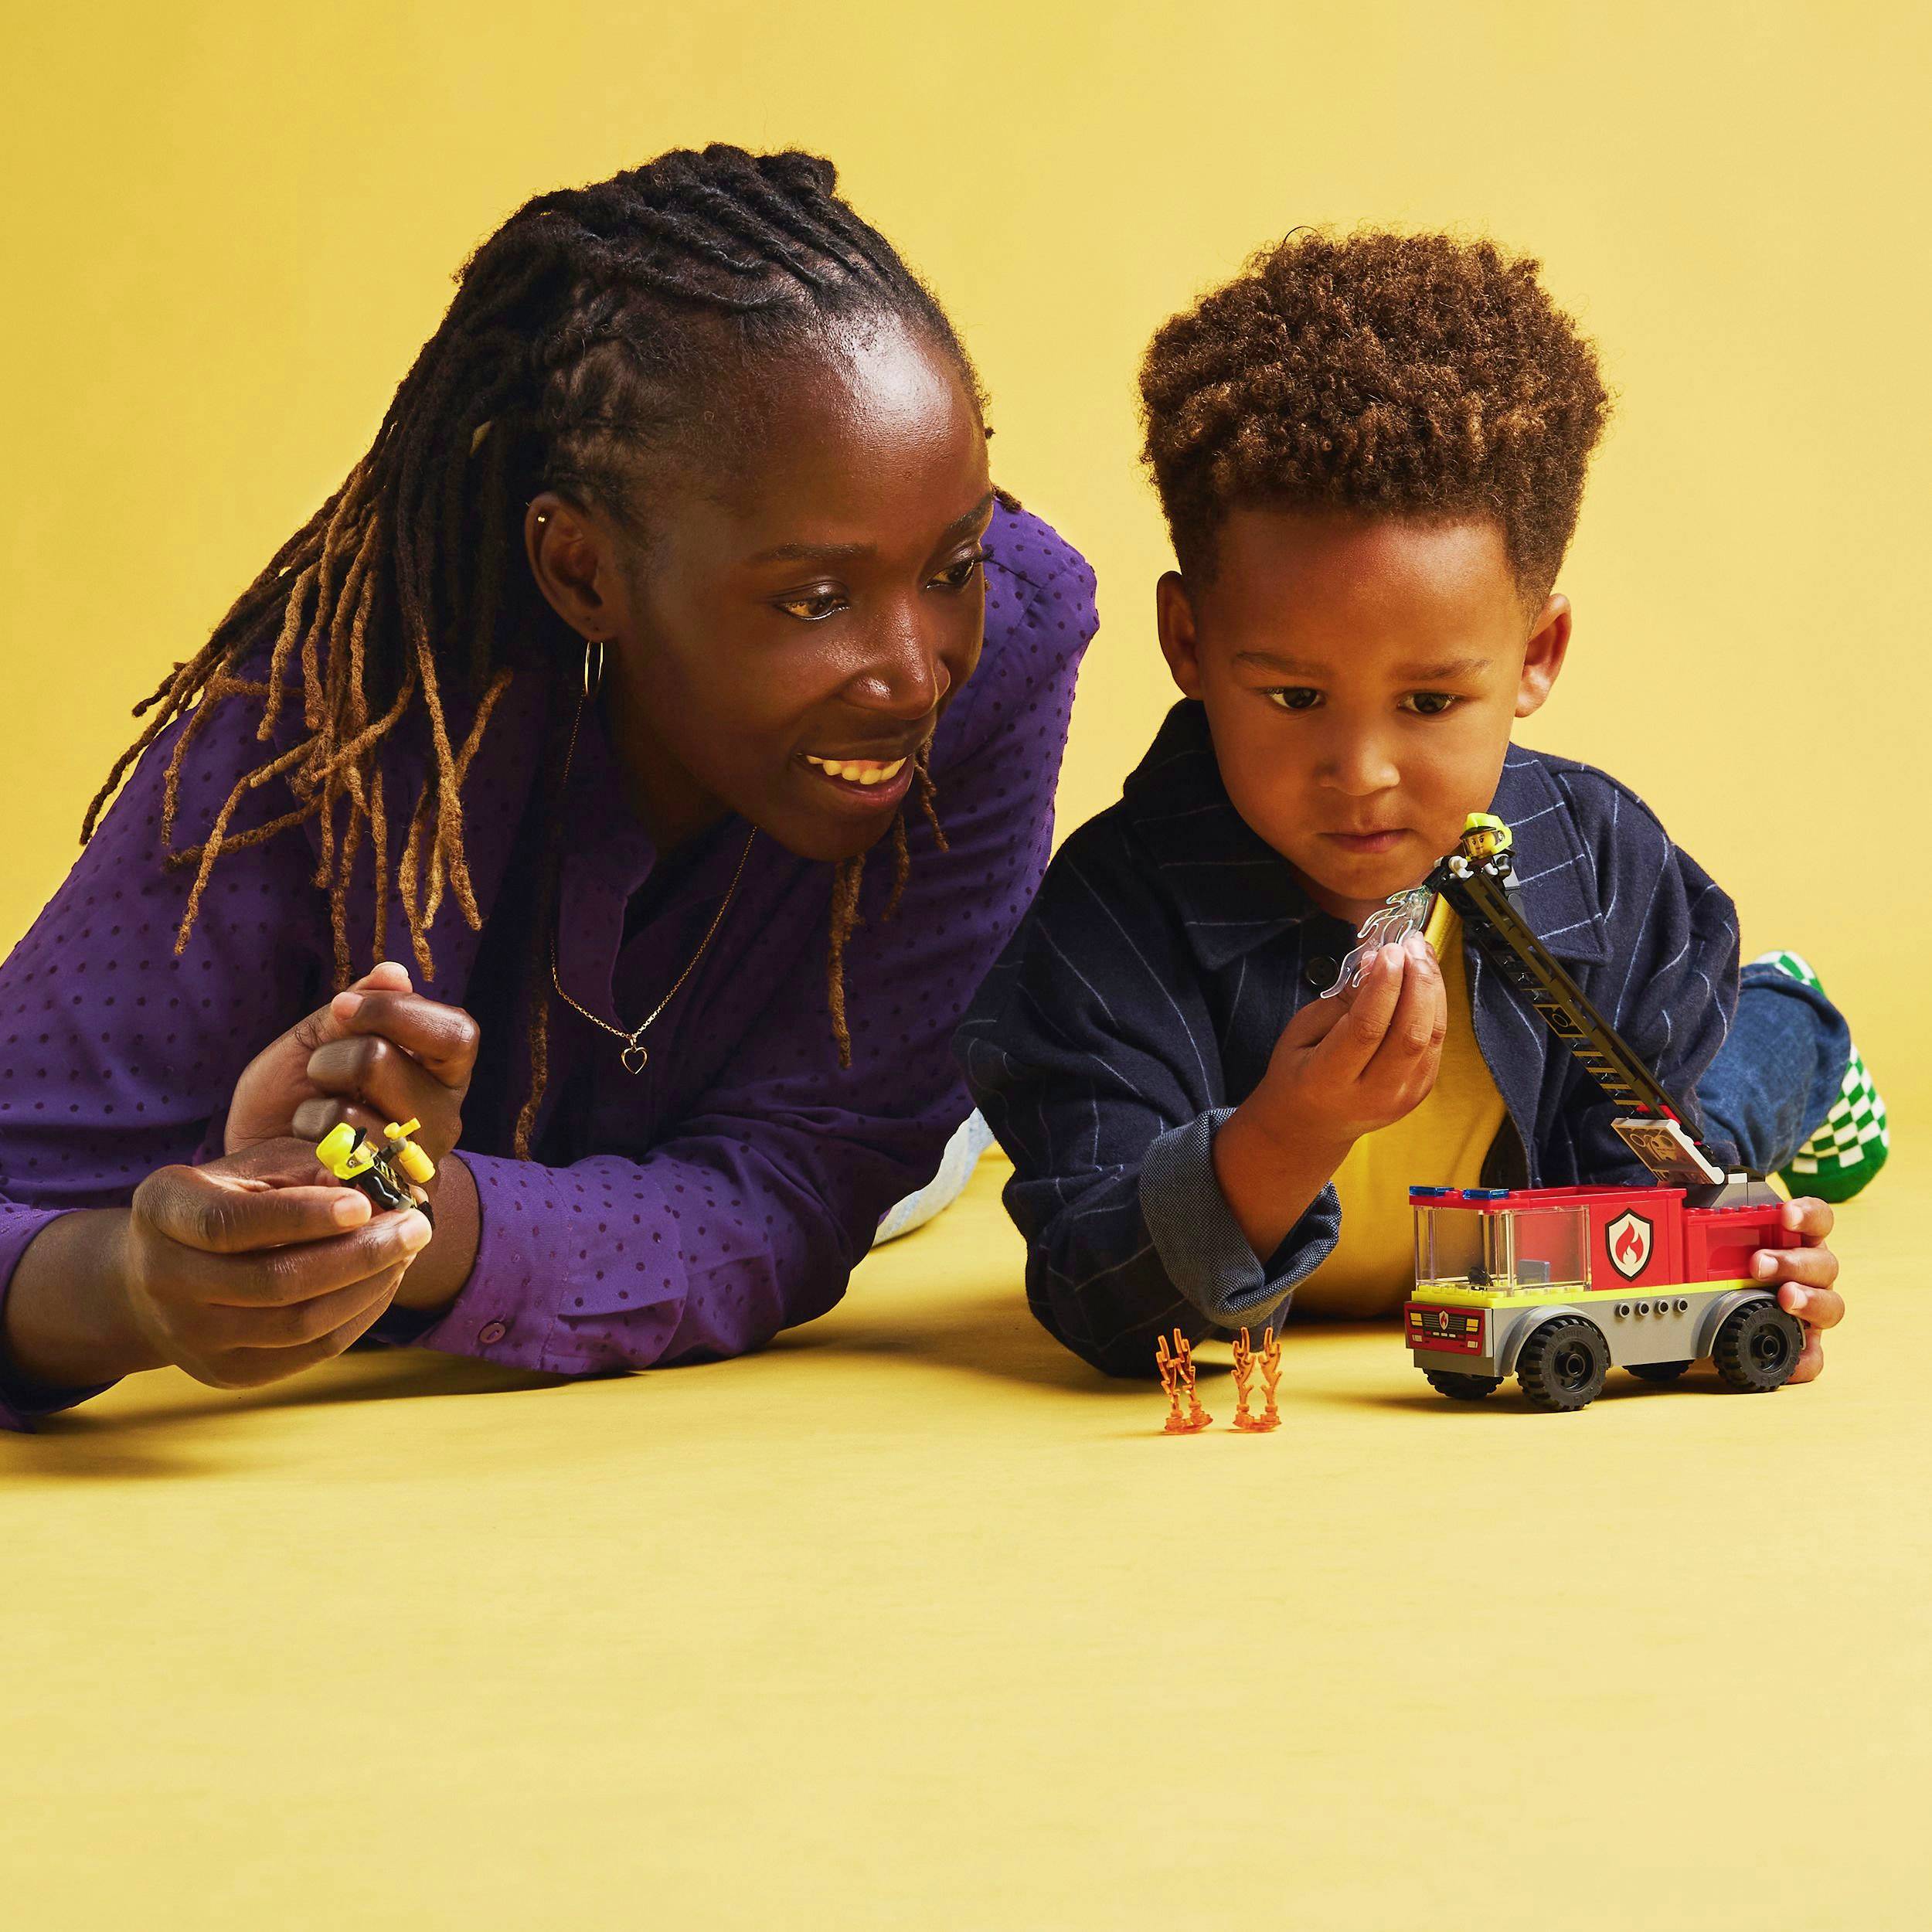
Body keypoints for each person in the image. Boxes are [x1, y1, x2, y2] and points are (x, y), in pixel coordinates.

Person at [0, 145, 1096, 1429]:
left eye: (950, 560)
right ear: (581, 569)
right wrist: (129, 1284)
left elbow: (812, 1175)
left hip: (899, 1154)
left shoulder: (1006, 645)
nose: (915, 675)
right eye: (813, 598)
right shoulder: (329, 734)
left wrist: (416, 1216)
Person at [957, 230, 1874, 1378]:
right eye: (1294, 696)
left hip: (1661, 1081)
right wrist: (1287, 1131)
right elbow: (1098, 1292)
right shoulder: (1101, 931)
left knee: (1728, 1107)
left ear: (1536, 655)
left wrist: (1724, 1289)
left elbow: (1625, 1212)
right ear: (1188, 642)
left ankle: (1798, 1023)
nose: (1363, 771)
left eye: (1431, 700)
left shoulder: (1605, 866)